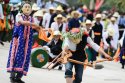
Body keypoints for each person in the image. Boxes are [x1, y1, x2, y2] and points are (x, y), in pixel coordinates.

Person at [7, 2, 42, 83]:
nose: (27, 8)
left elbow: (34, 27)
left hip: (27, 42)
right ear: (22, 8)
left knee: (25, 58)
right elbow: (23, 22)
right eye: (25, 6)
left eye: (29, 7)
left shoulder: (31, 18)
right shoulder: (18, 16)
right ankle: (12, 77)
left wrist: (41, 29)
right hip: (18, 41)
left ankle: (18, 77)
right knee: (15, 57)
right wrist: (34, 24)